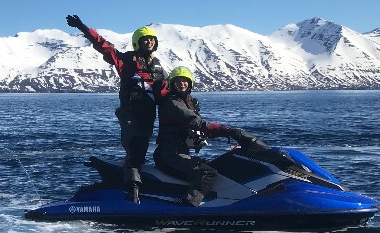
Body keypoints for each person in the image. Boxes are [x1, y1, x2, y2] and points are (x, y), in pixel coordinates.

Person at [66, 14, 167, 203]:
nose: (149, 43)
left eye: (152, 40)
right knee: (135, 147)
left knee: (142, 150)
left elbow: (166, 91)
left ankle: (136, 183)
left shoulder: (158, 67)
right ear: (137, 43)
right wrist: (83, 27)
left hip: (148, 116)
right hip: (130, 114)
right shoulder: (126, 61)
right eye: (145, 40)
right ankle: (132, 190)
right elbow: (103, 46)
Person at [154, 66, 264, 206]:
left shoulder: (189, 102)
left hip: (180, 153)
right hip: (169, 155)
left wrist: (211, 134)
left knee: (223, 164)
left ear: (190, 83)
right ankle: (190, 205)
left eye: (185, 81)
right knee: (207, 173)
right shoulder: (172, 103)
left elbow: (199, 128)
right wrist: (227, 131)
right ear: (172, 83)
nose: (182, 84)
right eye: (178, 81)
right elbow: (195, 121)